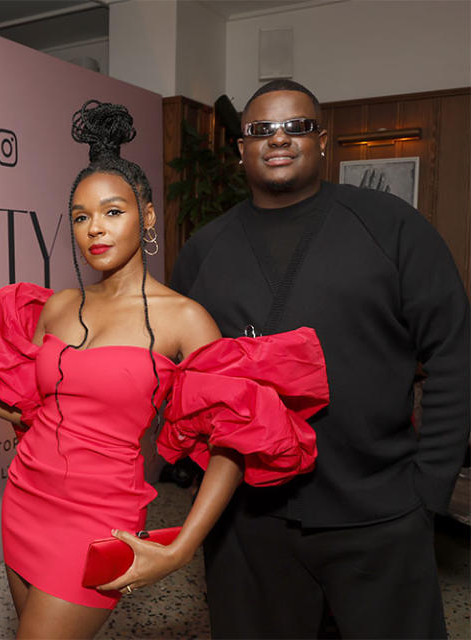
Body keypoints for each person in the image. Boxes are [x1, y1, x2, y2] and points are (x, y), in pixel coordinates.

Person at [0, 100, 329, 639]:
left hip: (97, 518)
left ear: (148, 216)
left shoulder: (183, 318)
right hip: (24, 499)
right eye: (82, 217)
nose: (95, 230)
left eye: (113, 212)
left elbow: (233, 440)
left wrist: (181, 548)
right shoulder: (57, 307)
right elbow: (33, 404)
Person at [172, 79, 470, 639]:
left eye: (297, 127)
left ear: (323, 141)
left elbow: (455, 354)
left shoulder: (393, 228)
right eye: (261, 130)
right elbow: (184, 377)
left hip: (377, 515)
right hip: (248, 523)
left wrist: (429, 489)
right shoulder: (203, 251)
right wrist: (191, 471)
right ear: (241, 147)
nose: (278, 140)